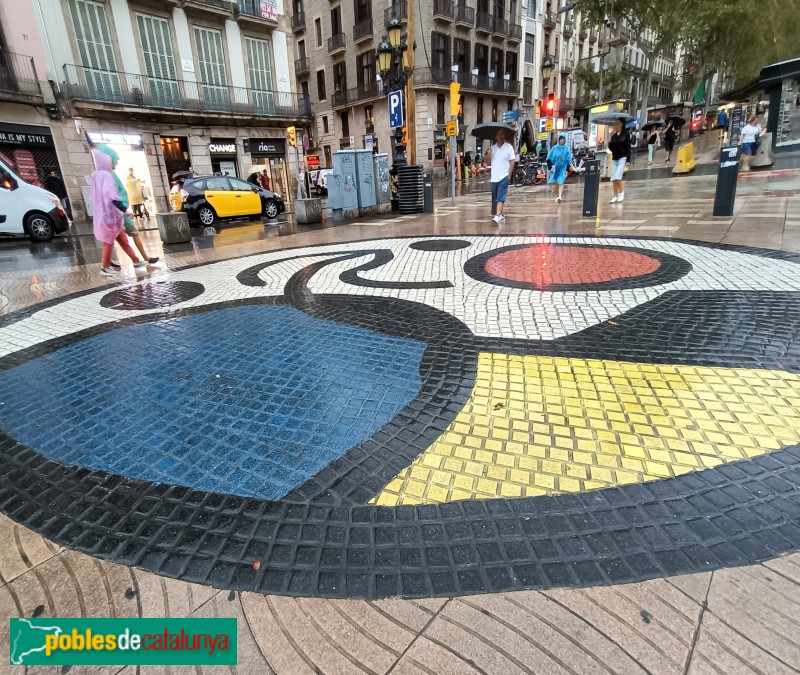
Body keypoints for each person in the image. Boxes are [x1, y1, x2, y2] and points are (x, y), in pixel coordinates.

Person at [89, 145, 147, 276]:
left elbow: (96, 197)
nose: (116, 162)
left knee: (122, 239)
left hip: (109, 216)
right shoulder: (106, 175)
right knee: (109, 241)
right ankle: (105, 266)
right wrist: (124, 211)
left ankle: (136, 260)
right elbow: (112, 197)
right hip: (111, 216)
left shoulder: (96, 175)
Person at [484, 128, 516, 224]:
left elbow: (512, 161)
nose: (500, 136)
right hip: (494, 177)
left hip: (504, 176)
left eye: (502, 134)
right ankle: (501, 215)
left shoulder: (509, 147)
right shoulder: (492, 148)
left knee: (500, 197)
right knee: (495, 197)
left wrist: (509, 175)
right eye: (498, 134)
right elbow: (487, 162)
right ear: (496, 137)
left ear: (504, 135)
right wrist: (488, 155)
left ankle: (497, 216)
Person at [608, 118, 632, 203]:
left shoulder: (626, 134)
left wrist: (628, 160)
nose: (616, 125)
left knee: (618, 177)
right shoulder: (614, 136)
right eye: (615, 124)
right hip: (615, 158)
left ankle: (621, 192)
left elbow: (628, 148)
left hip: (623, 157)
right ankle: (615, 195)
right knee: (614, 178)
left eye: (617, 123)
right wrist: (610, 140)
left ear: (621, 124)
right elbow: (611, 148)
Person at [546, 132, 573, 203]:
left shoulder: (567, 149)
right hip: (555, 168)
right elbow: (549, 158)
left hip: (563, 168)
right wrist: (550, 167)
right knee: (557, 182)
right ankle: (558, 196)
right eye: (560, 139)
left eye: (563, 139)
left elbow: (568, 159)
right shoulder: (554, 148)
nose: (562, 140)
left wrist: (568, 169)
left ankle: (560, 196)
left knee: (561, 181)